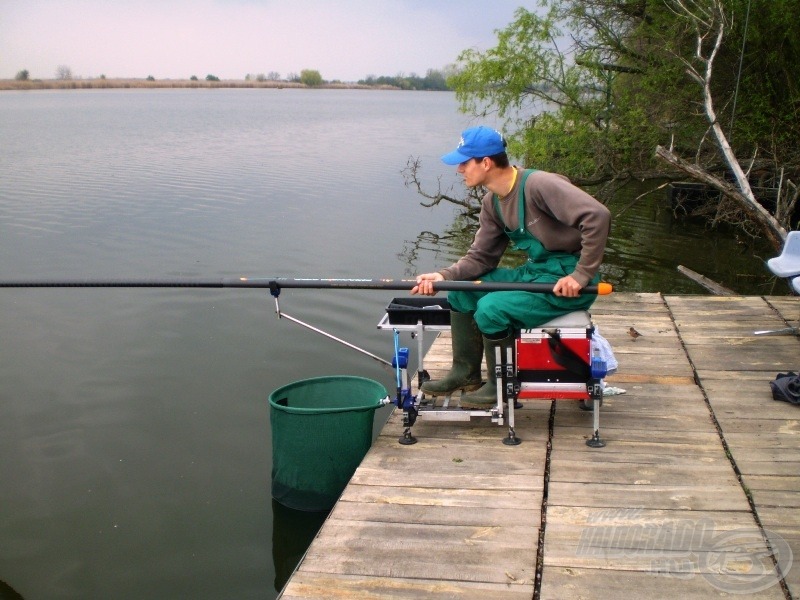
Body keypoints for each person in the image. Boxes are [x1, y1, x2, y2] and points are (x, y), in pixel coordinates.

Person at [411, 126, 611, 408]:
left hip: (566, 282)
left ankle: (500, 385)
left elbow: (597, 216)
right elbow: (481, 258)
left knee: (492, 308)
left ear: (486, 162)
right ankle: (465, 374)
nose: (459, 169)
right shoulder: (492, 202)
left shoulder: (539, 184)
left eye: (464, 162)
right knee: (461, 292)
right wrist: (444, 276)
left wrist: (581, 274)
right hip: (535, 273)